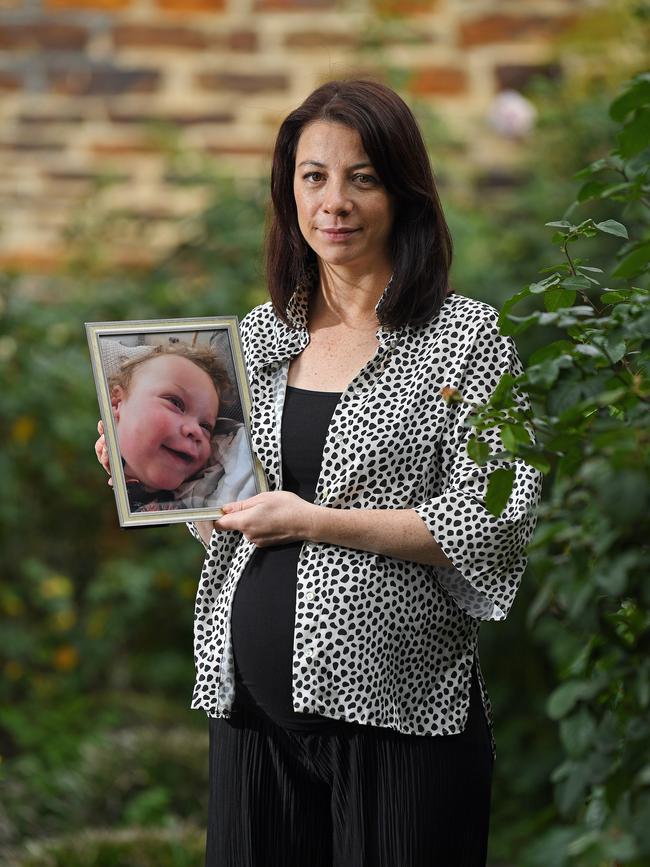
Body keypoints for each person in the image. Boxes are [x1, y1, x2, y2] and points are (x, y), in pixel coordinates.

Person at [97, 79, 542, 866]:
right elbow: (232, 522)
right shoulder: (258, 338)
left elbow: (494, 518)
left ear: (403, 191)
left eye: (361, 177)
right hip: (251, 721)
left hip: (399, 718)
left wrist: (314, 521)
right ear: (289, 190)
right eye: (313, 177)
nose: (334, 201)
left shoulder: (466, 338)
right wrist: (148, 480)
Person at [99, 342, 256, 512]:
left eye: (205, 426)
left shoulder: (230, 449)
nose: (195, 430)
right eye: (175, 403)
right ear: (116, 403)